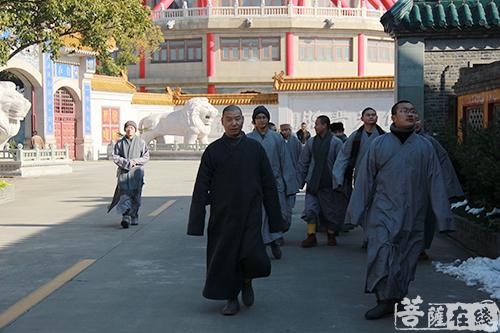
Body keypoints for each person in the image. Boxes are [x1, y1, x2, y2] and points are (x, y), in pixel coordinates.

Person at [345, 100, 455, 320]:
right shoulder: (379, 144)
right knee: (382, 254)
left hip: (414, 213)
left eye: (413, 111)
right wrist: (354, 212)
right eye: (404, 111)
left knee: (406, 259)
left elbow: (435, 182)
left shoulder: (425, 147)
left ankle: (397, 297)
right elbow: (365, 179)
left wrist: (443, 218)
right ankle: (383, 300)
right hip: (383, 212)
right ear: (393, 117)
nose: (410, 114)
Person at [188, 105, 285, 316]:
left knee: (250, 253)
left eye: (238, 119)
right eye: (229, 120)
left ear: (243, 120)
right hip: (223, 215)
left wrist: (276, 220)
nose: (234, 123)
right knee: (226, 257)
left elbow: (268, 183)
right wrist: (197, 220)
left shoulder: (254, 149)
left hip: (251, 212)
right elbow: (201, 186)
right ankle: (231, 297)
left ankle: (247, 281)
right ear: (222, 122)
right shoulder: (213, 151)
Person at [247, 105, 295, 259]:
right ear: (254, 121)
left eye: (264, 117)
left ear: (268, 119)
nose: (261, 120)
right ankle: (262, 244)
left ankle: (274, 240)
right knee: (258, 215)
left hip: (275, 182)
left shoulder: (277, 137)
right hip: (255, 183)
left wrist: (289, 183)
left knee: (276, 213)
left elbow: (285, 161)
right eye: (258, 118)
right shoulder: (248, 139)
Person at [332, 107, 385, 246]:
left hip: (381, 177)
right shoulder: (355, 137)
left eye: (374, 114)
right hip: (360, 176)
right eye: (368, 115)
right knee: (364, 206)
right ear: (362, 119)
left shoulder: (383, 136)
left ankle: (372, 236)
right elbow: (344, 156)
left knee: (378, 207)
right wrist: (338, 176)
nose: (371, 117)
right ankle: (368, 235)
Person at [415, 114, 464, 260]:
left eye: (418, 119)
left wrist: (447, 187)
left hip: (427, 186)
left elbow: (443, 163)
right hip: (405, 187)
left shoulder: (430, 142)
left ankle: (421, 247)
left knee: (427, 219)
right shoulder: (396, 142)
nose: (416, 122)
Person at [296, 115, 346, 247]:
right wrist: (300, 181)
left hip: (329, 183)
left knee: (330, 211)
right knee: (310, 210)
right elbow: (304, 162)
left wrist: (339, 181)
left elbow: (341, 163)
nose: (315, 126)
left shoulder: (336, 143)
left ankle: (331, 235)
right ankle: (311, 236)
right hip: (313, 182)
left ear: (325, 125)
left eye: (317, 124)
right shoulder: (311, 142)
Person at [108, 121, 150, 228]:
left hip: (136, 173)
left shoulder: (141, 142)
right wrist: (126, 163)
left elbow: (146, 157)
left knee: (136, 195)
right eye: (127, 128)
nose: (129, 129)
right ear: (125, 129)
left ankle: (134, 215)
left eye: (132, 128)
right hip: (124, 174)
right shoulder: (120, 143)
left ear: (135, 130)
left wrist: (135, 161)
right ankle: (125, 216)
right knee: (124, 195)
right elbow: (115, 156)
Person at [279, 123, 302, 233]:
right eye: (283, 130)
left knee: (289, 206)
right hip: (280, 177)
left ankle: (285, 224)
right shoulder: (278, 141)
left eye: (287, 130)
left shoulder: (295, 142)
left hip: (292, 176)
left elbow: (300, 158)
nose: (285, 132)